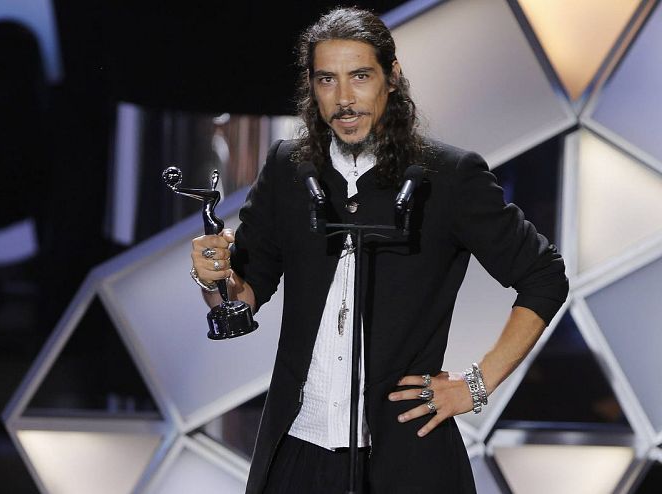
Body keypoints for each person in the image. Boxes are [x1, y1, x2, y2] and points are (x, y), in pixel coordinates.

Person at [189, 7, 568, 493]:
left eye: (360, 77)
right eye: (327, 80)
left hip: (407, 458)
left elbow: (545, 276)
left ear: (392, 78)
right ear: (312, 87)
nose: (344, 99)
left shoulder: (446, 177)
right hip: (299, 452)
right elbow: (240, 301)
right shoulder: (289, 168)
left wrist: (476, 385)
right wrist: (213, 278)